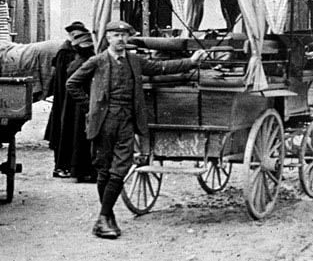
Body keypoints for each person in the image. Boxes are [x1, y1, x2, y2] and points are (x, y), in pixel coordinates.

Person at [66, 20, 206, 239]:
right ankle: (107, 217)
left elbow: (162, 68)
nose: (120, 39)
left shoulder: (135, 61)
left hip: (127, 120)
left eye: (124, 36)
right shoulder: (97, 61)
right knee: (103, 169)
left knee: (121, 167)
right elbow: (72, 84)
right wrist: (91, 108)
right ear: (108, 39)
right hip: (103, 122)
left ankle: (103, 217)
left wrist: (190, 61)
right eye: (115, 35)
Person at [46, 22, 97, 182]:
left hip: (71, 98)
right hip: (69, 99)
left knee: (71, 131)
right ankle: (65, 167)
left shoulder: (75, 54)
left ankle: (71, 167)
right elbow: (63, 80)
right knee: (70, 131)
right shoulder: (67, 53)